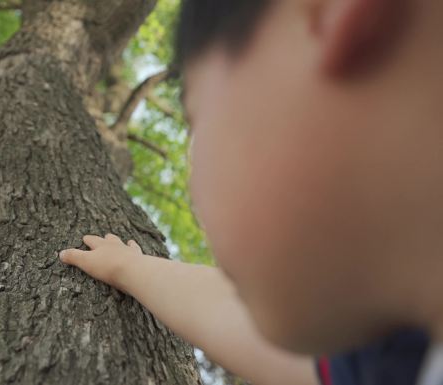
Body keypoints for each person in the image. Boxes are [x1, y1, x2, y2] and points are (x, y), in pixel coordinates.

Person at [58, 0, 443, 384]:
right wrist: (131, 268)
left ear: (326, 13)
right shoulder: (394, 360)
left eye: (196, 119)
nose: (194, 193)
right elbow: (236, 320)